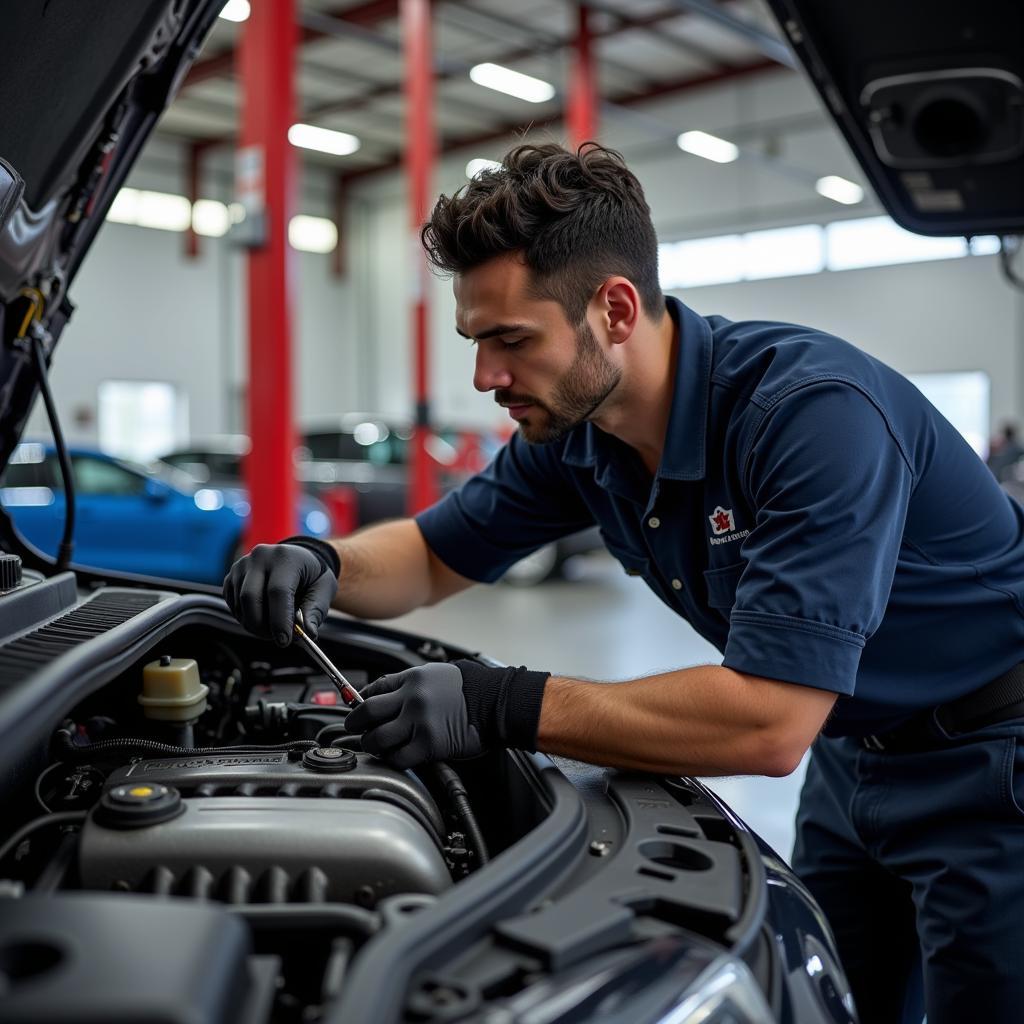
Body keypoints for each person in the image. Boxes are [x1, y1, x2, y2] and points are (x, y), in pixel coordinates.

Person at [224, 142, 1024, 1024]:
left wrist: (502, 704)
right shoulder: (577, 436)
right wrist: (324, 562)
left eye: (511, 340)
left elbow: (767, 723)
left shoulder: (808, 417)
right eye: (476, 341)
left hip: (991, 764)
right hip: (853, 756)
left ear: (613, 308)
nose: (486, 376)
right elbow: (428, 555)